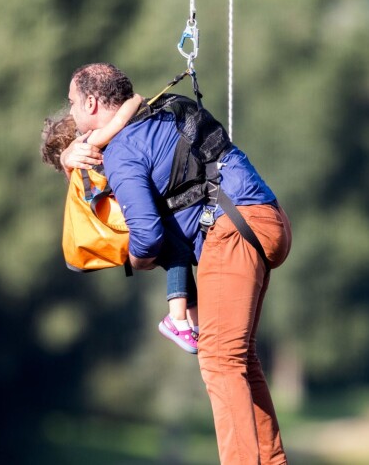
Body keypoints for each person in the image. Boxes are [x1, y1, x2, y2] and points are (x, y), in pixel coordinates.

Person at [60, 62, 292, 465]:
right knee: (240, 358)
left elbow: (147, 236)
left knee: (220, 361)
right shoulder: (161, 109)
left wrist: (138, 260)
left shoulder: (122, 152)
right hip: (266, 219)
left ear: (93, 101)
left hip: (233, 230)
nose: (70, 114)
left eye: (72, 104)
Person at [41, 102, 200, 354]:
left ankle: (193, 322)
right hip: (134, 224)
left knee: (176, 255)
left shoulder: (74, 170)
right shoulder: (85, 147)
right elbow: (117, 123)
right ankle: (177, 320)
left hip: (121, 230)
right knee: (178, 254)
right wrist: (135, 100)